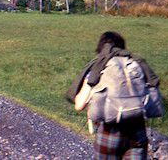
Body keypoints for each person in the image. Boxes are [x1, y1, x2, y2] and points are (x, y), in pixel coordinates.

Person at [66, 31, 160, 160]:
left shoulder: (99, 67)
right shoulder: (135, 64)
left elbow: (79, 105)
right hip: (137, 132)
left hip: (109, 133)